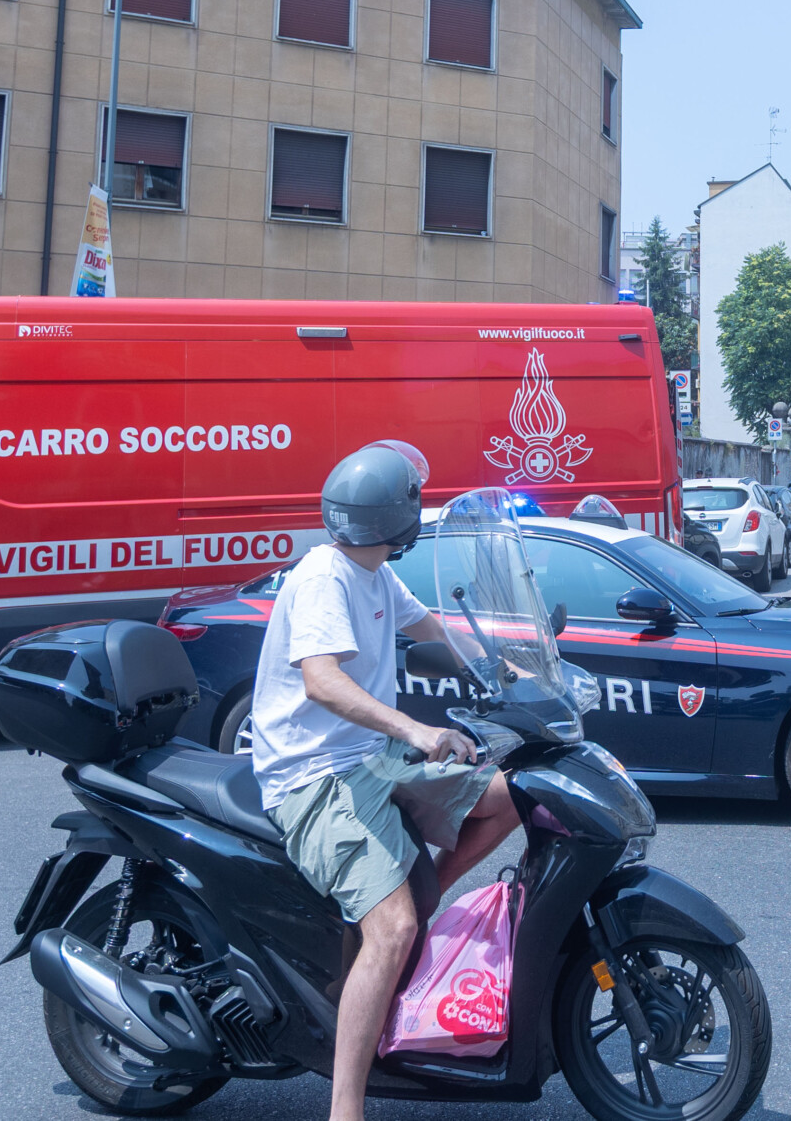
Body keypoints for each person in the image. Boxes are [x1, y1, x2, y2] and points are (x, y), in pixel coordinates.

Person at [248, 442, 521, 1120]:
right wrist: (415, 730)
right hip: (315, 780)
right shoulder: (325, 577)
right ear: (396, 518)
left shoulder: (370, 570)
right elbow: (322, 679)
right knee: (393, 926)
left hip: (368, 764)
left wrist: (497, 669)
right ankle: (346, 1108)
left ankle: (421, 889)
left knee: (516, 796)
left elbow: (427, 624)